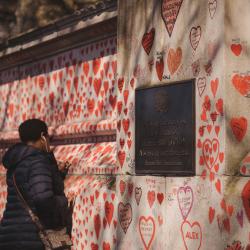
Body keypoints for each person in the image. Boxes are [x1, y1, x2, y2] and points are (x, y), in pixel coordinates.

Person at [0, 119, 72, 250]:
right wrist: (63, 201)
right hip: (31, 238)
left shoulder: (17, 161)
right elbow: (43, 198)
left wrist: (53, 166)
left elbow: (32, 186)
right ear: (43, 136)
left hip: (9, 234)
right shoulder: (37, 162)